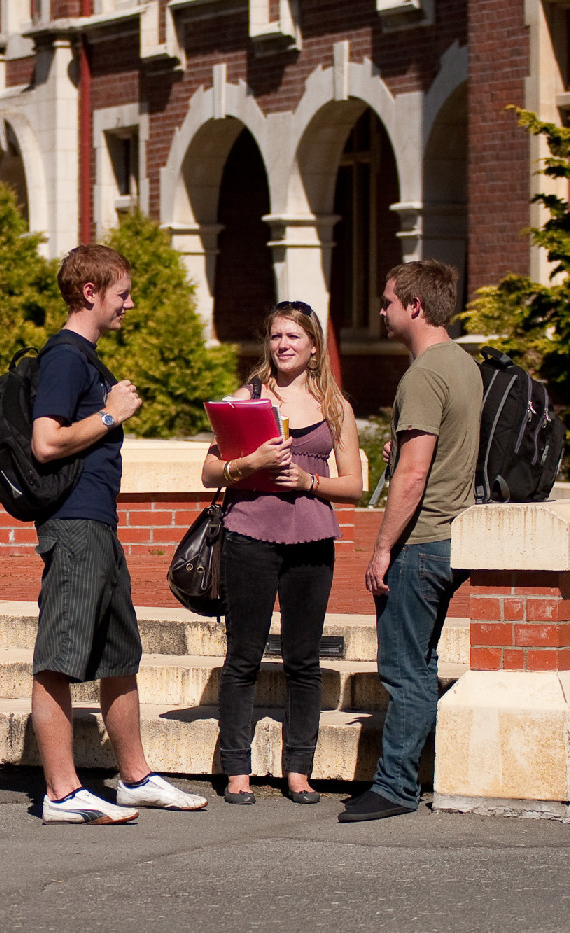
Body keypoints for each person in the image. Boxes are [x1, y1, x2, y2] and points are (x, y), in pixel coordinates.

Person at [29, 243, 208, 824]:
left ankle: (135, 778)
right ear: (91, 292)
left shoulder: (87, 358)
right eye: (122, 294)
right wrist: (110, 414)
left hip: (98, 526)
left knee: (119, 656)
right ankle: (61, 793)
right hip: (75, 525)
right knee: (59, 656)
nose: (129, 304)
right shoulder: (65, 357)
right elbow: (46, 442)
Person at [201, 301, 363, 806]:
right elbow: (209, 472)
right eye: (276, 336)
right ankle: (236, 770)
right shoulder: (245, 400)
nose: (283, 344)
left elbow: (355, 486)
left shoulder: (336, 407)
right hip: (249, 534)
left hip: (312, 540)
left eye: (294, 336)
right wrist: (251, 462)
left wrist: (310, 481)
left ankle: (299, 770)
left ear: (314, 346)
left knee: (304, 660)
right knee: (243, 656)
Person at [340, 259, 481, 823]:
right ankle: (411, 777)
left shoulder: (422, 375)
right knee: (420, 665)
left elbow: (415, 474)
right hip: (452, 537)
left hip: (420, 543)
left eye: (388, 302)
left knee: (405, 671)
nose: (381, 312)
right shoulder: (463, 364)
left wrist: (382, 549)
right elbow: (441, 452)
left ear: (415, 307)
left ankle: (396, 786)